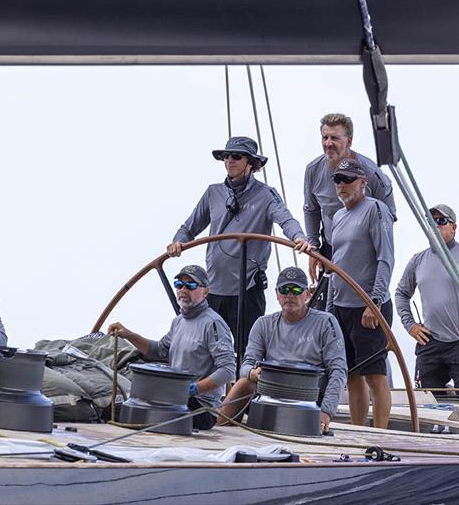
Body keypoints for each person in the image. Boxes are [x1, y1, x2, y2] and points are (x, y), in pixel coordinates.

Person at [168, 136, 312, 356]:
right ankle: (210, 390)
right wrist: (178, 241)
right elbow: (189, 228)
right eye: (226, 156)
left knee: (247, 353)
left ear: (251, 163)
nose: (229, 161)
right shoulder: (213, 193)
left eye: (236, 156)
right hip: (213, 289)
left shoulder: (266, 195)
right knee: (208, 351)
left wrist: (299, 238)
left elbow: (286, 220)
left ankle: (243, 390)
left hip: (247, 288)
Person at [218, 267, 346, 433]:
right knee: (244, 383)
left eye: (296, 290)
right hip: (270, 398)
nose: (290, 295)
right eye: (284, 290)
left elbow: (338, 370)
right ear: (277, 294)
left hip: (309, 403)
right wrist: (252, 373)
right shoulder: (263, 324)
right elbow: (246, 365)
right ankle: (219, 433)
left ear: (307, 294)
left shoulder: (326, 323)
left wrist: (326, 412)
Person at [108, 265, 236, 430]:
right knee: (118, 409)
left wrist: (193, 389)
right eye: (179, 284)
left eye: (190, 285)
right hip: (175, 399)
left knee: (136, 413)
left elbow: (228, 369)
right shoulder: (178, 322)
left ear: (206, 292)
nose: (183, 289)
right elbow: (158, 351)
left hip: (200, 408)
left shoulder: (213, 324)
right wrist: (127, 334)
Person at [328, 158, 394, 428]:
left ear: (363, 182)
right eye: (337, 180)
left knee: (374, 375)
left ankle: (380, 435)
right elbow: (337, 261)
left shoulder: (376, 210)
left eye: (348, 179)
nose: (342, 185)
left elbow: (385, 258)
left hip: (368, 305)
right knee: (352, 375)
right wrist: (331, 306)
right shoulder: (338, 216)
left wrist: (374, 301)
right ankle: (358, 433)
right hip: (341, 305)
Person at [394, 204, 459, 393]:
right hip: (430, 343)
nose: (435, 226)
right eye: (430, 222)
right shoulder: (417, 260)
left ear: (454, 227)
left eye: (441, 221)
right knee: (427, 402)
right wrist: (410, 325)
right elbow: (401, 294)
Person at [303, 113, 396, 297]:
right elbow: (311, 210)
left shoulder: (370, 172)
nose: (328, 143)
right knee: (328, 312)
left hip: (364, 251)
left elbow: (389, 213)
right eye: (325, 137)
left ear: (349, 141)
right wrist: (313, 247)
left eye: (335, 138)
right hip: (330, 249)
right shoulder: (313, 170)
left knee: (365, 306)